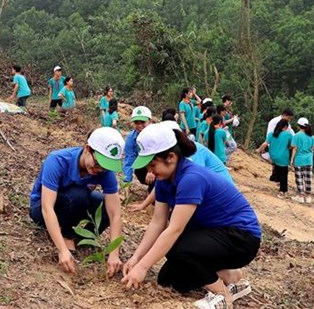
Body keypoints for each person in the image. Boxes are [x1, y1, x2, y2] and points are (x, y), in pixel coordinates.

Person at [121, 123, 261, 309]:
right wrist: (136, 259)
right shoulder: (164, 180)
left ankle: (223, 295)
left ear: (171, 157)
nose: (150, 172)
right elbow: (158, 223)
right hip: (211, 234)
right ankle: (229, 276)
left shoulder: (191, 178)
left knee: (178, 247)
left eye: (153, 165)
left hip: (241, 238)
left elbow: (174, 229)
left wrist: (143, 268)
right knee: (170, 281)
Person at [29, 127, 125, 276]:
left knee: (102, 204)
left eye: (105, 167)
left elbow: (115, 214)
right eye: (98, 164)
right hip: (41, 207)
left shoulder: (104, 172)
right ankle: (64, 236)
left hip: (74, 205)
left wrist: (114, 253)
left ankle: (79, 239)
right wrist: (61, 250)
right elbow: (47, 207)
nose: (100, 170)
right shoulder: (57, 160)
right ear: (87, 149)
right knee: (78, 196)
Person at [128, 116, 234, 213]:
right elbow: (160, 186)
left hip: (220, 198)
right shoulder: (177, 157)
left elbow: (195, 183)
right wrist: (144, 205)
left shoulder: (194, 154)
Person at [257, 119, 293, 198]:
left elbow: (265, 143)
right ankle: (282, 191)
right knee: (284, 174)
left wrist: (258, 150)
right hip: (283, 157)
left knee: (277, 168)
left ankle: (277, 181)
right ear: (285, 127)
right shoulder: (288, 135)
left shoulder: (271, 134)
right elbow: (291, 146)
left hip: (273, 157)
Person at [290, 117, 314, 204]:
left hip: (299, 160)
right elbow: (313, 148)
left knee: (299, 178)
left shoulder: (296, 136)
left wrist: (291, 160)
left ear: (298, 126)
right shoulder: (311, 136)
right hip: (309, 160)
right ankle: (308, 197)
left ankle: (300, 197)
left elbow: (295, 149)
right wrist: (311, 158)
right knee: (308, 178)